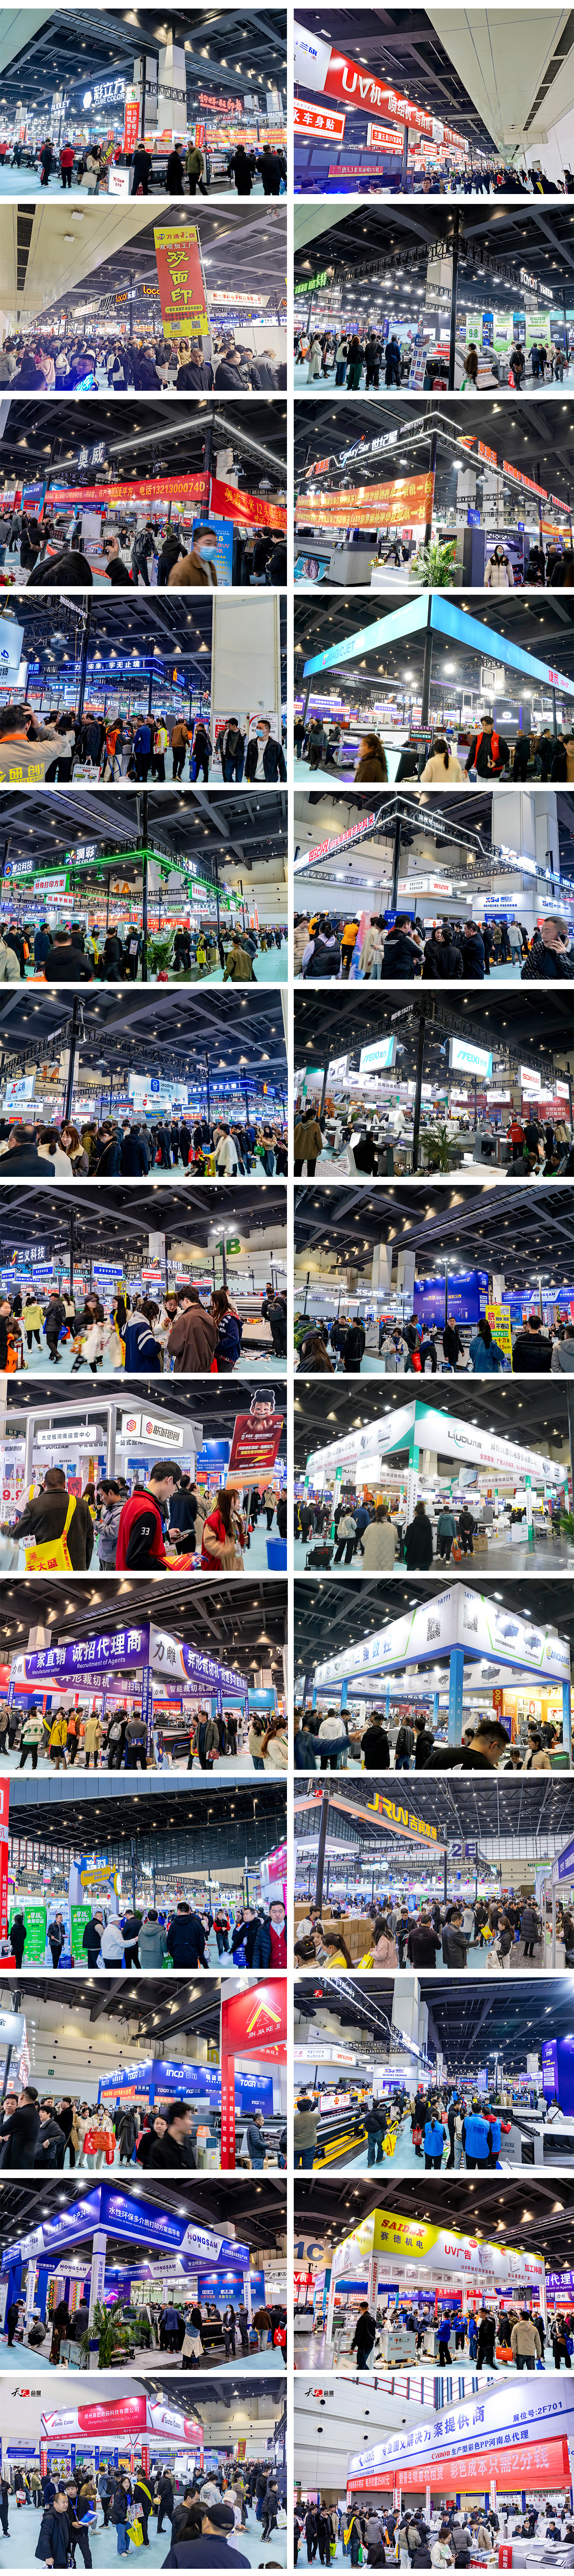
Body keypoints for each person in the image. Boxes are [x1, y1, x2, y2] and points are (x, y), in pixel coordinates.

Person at [115, 1460, 182, 1569]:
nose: (172, 1495)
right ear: (170, 1480)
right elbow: (136, 1559)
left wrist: (165, 1537)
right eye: (176, 1488)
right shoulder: (148, 1510)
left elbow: (136, 1541)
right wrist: (168, 1567)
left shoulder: (133, 1501)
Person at [404, 1499, 433, 1569]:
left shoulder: (412, 1526)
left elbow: (407, 1542)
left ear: (415, 1512)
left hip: (413, 1556)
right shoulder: (428, 1525)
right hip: (426, 1556)